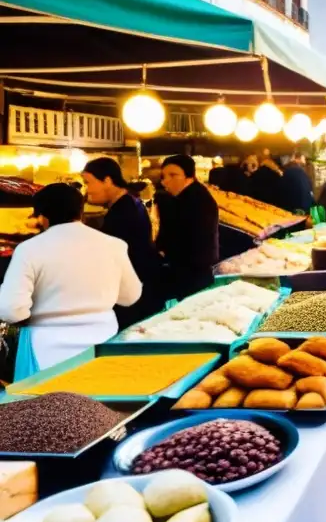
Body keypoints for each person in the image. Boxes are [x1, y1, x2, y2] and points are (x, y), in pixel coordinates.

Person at [0, 183, 142, 378]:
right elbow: (129, 296)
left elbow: (11, 310)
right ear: (80, 211)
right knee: (96, 406)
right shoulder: (113, 245)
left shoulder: (29, 249)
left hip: (45, 350)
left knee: (46, 406)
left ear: (43, 217)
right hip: (101, 344)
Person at [81, 158, 162, 330]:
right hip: (141, 290)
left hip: (135, 296)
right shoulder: (128, 203)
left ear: (107, 180)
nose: (88, 190)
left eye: (89, 182)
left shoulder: (124, 210)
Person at [156, 154, 220, 301]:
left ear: (189, 176)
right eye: (164, 176)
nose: (166, 181)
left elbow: (178, 236)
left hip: (193, 272)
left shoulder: (194, 198)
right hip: (194, 270)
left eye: (173, 175)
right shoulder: (186, 196)